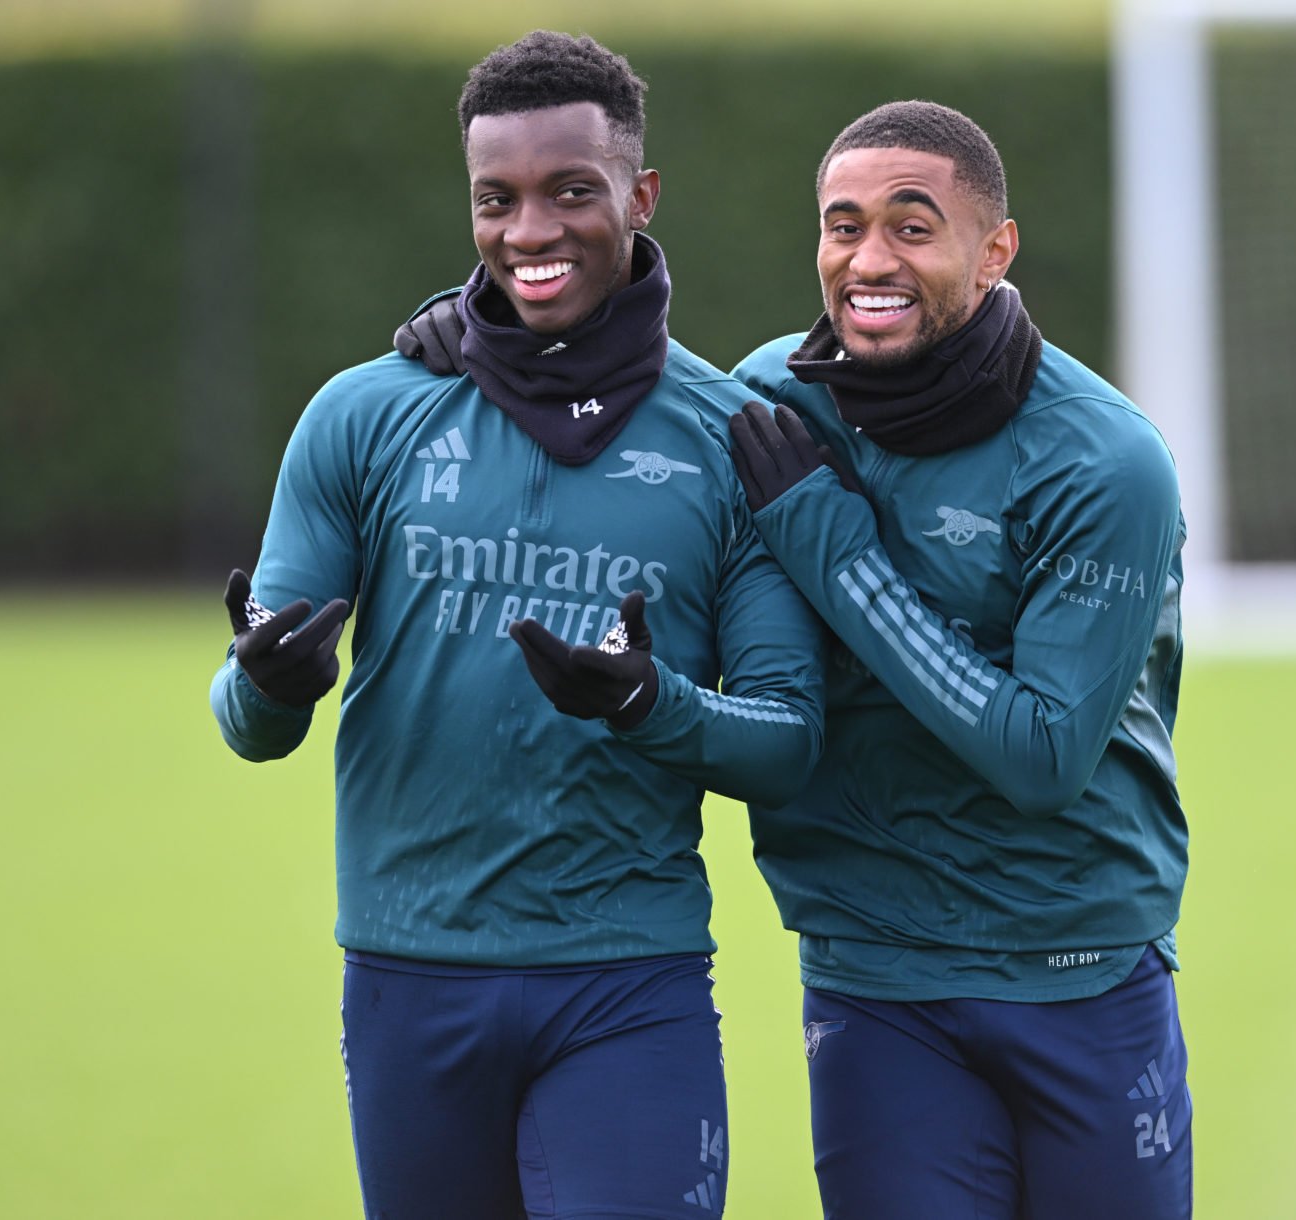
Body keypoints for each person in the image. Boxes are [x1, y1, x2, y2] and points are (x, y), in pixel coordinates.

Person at [211, 32, 823, 1220]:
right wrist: (270, 681)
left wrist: (654, 702)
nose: (530, 230)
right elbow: (248, 725)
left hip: (625, 979)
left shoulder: (733, 439)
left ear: (641, 197)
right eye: (498, 199)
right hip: (408, 976)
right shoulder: (364, 414)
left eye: (571, 192)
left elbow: (790, 740)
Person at [723, 101, 1192, 1218]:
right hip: (875, 975)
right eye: (843, 226)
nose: (868, 258)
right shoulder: (773, 399)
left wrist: (833, 548)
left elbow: (1041, 753)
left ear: (994, 251)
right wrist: (472, 329)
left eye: (911, 226)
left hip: (1077, 968)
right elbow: (608, 405)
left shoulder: (1103, 458)